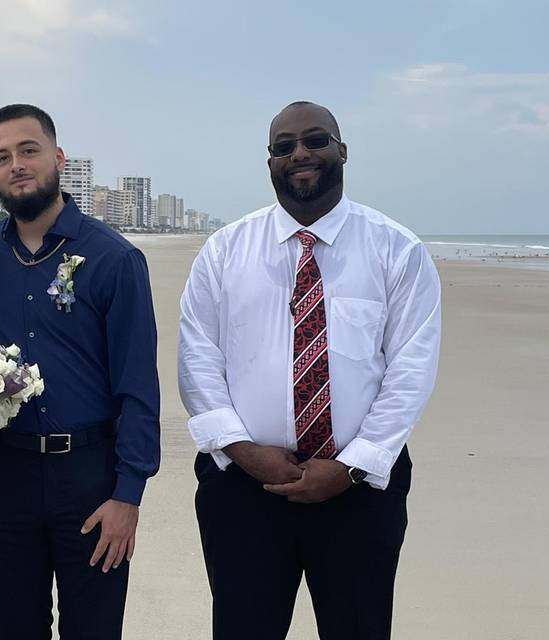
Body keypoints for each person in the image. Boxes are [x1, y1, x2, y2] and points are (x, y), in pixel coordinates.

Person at [178, 101, 442, 640]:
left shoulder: (397, 249)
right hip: (243, 489)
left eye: (315, 140)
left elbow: (410, 369)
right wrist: (243, 451)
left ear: (341, 150)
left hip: (359, 491)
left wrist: (352, 465)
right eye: (284, 146)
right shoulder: (224, 251)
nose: (300, 153)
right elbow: (197, 356)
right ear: (270, 161)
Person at [0, 104, 161, 639]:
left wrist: (128, 495)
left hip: (90, 479)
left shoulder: (113, 259)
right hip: (3, 476)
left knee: (94, 630)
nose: (17, 165)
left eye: (28, 150)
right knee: (15, 628)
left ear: (57, 157)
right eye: (1, 157)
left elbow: (138, 388)